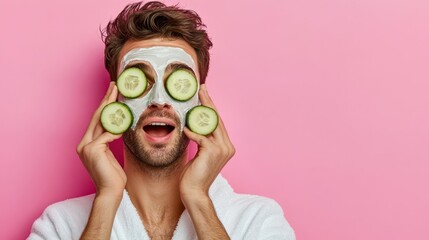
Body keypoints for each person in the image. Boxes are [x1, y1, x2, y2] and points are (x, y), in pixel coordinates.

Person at [28, 1, 295, 239]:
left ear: (200, 101)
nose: (159, 99)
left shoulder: (259, 220)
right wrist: (107, 200)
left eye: (178, 82)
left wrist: (198, 199)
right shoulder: (59, 225)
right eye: (138, 80)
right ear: (115, 99)